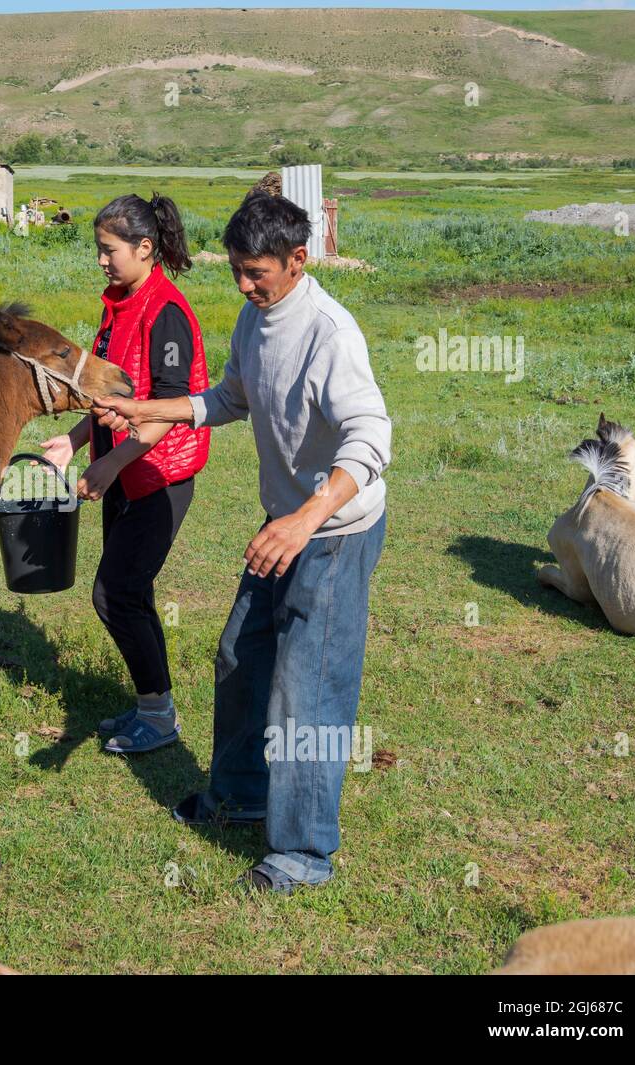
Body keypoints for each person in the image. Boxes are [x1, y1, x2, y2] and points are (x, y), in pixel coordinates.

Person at [94, 190, 391, 892]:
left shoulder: (331, 333)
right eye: (234, 269)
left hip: (334, 529)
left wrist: (304, 518)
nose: (242, 284)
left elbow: (372, 436)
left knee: (307, 687)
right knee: (239, 653)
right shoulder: (256, 319)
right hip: (285, 521)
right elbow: (229, 396)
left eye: (255, 271)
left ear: (298, 259)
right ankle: (240, 793)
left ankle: (304, 852)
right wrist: (149, 407)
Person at [40, 193, 210, 754]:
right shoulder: (118, 303)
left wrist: (111, 463)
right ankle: (150, 706)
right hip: (122, 470)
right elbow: (109, 393)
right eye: (98, 250)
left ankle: (159, 718)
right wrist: (75, 439)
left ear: (144, 247)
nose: (101, 261)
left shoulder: (166, 314)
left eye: (109, 250)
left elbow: (169, 405)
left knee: (115, 594)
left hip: (157, 475)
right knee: (130, 593)